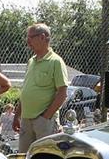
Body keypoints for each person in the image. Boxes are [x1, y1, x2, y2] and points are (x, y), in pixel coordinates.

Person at [13, 23, 68, 151]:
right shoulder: (31, 61)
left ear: (42, 37)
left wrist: (45, 117)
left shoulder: (56, 62)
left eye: (30, 38)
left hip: (44, 123)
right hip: (26, 121)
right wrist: (17, 115)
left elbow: (62, 93)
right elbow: (26, 91)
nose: (27, 42)